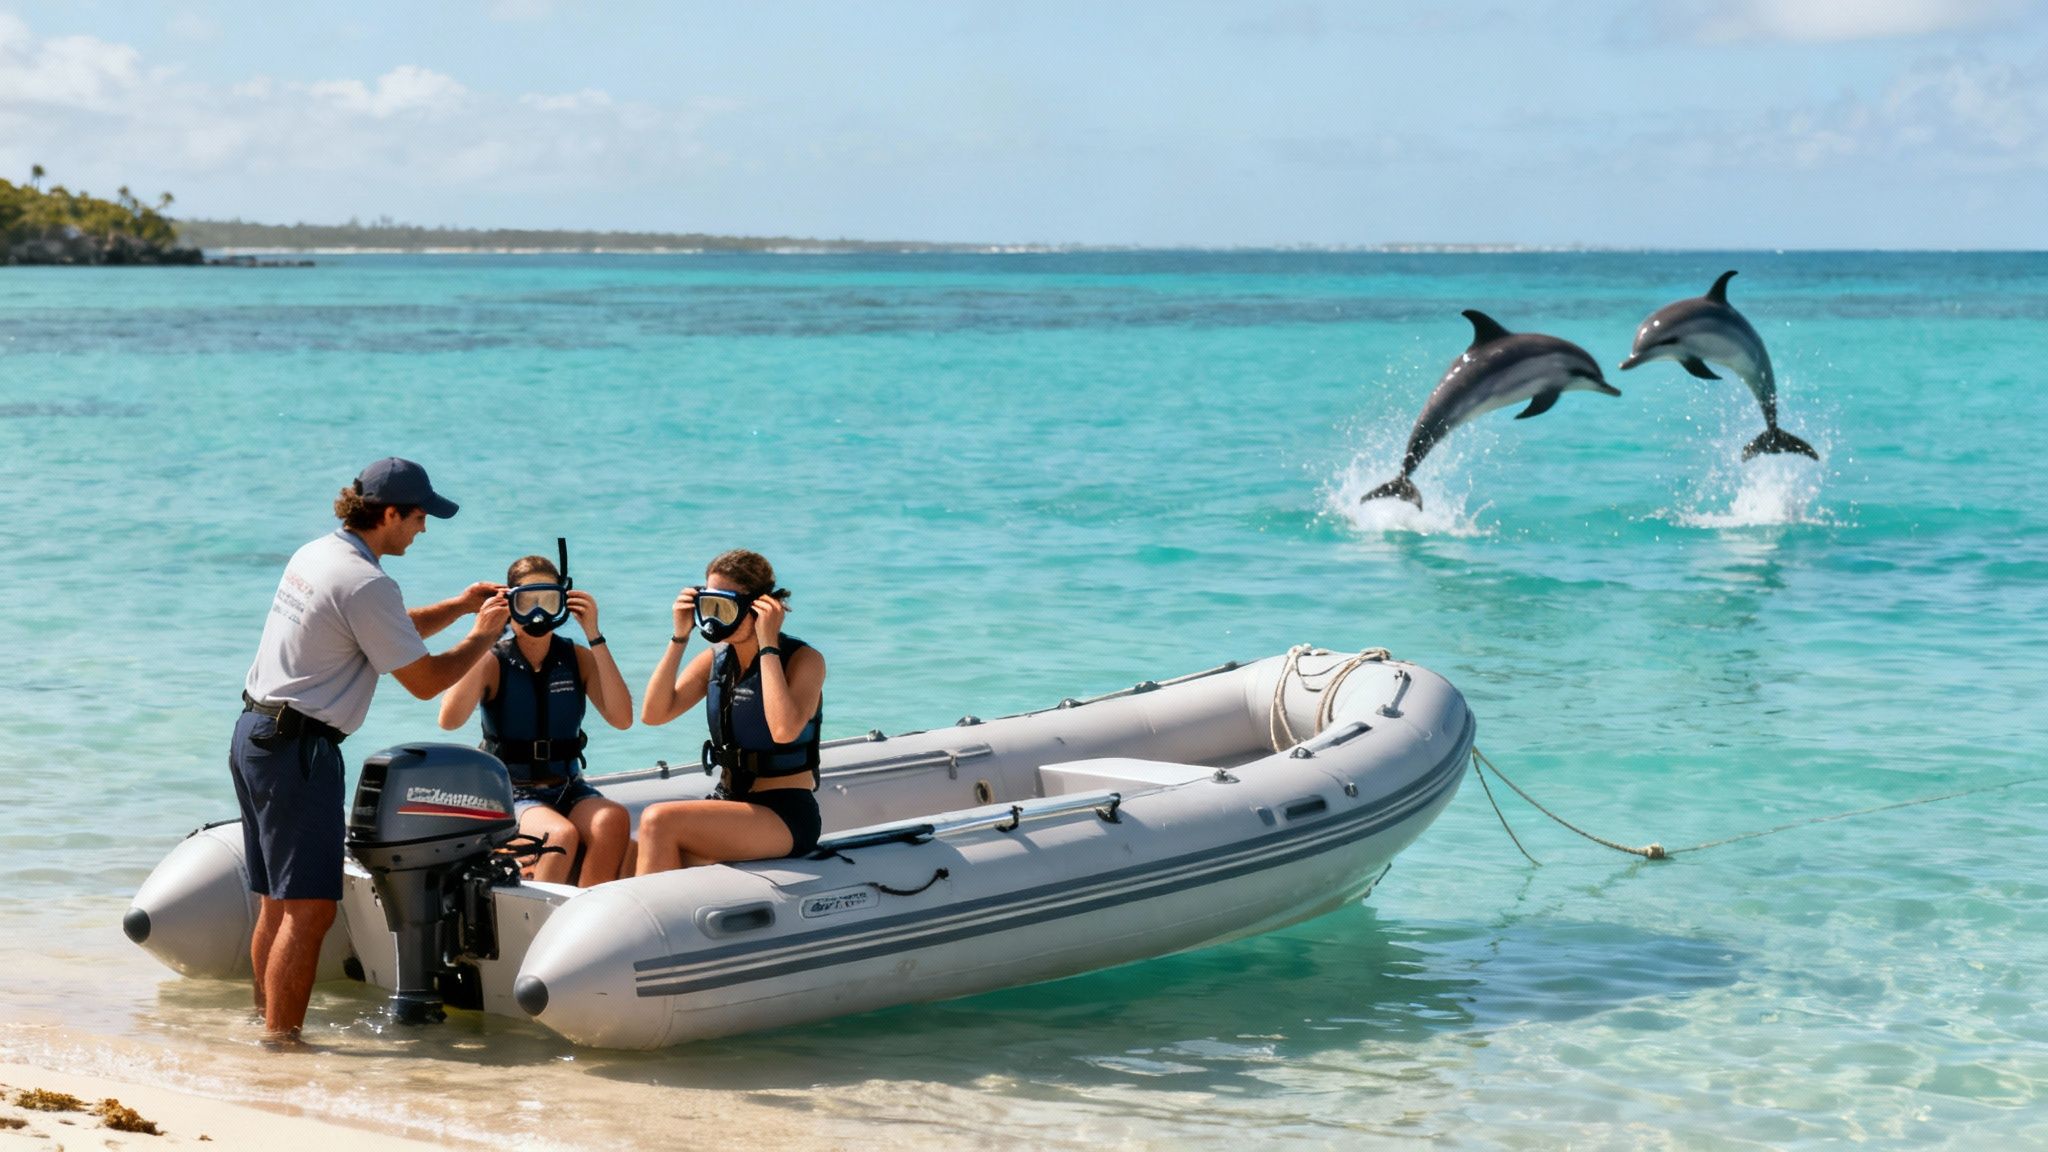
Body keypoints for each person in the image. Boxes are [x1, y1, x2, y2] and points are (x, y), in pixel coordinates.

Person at [232, 458, 508, 1047]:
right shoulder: (366, 581)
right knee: (308, 912)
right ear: (390, 514)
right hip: (298, 750)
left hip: (256, 735)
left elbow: (383, 628)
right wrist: (483, 637)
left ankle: (265, 1028)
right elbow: (426, 679)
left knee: (278, 903)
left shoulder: (319, 554)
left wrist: (460, 606)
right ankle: (281, 1046)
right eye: (419, 516)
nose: (424, 529)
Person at [437, 550, 632, 886]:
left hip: (568, 786)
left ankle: (584, 913)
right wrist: (483, 636)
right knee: (559, 836)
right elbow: (449, 720)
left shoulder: (577, 658)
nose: (539, 612)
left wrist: (594, 634)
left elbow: (621, 718)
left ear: (563, 604)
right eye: (528, 602)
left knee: (612, 820)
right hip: (511, 792)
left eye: (549, 601)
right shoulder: (492, 661)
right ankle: (537, 925)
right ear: (510, 604)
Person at [635, 550, 826, 874]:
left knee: (658, 820)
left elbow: (783, 730)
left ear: (757, 607)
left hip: (785, 814)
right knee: (633, 848)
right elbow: (654, 714)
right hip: (729, 802)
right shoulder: (716, 662)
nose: (714, 619)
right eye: (708, 606)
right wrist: (679, 637)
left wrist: (767, 645)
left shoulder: (804, 660)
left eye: (724, 608)